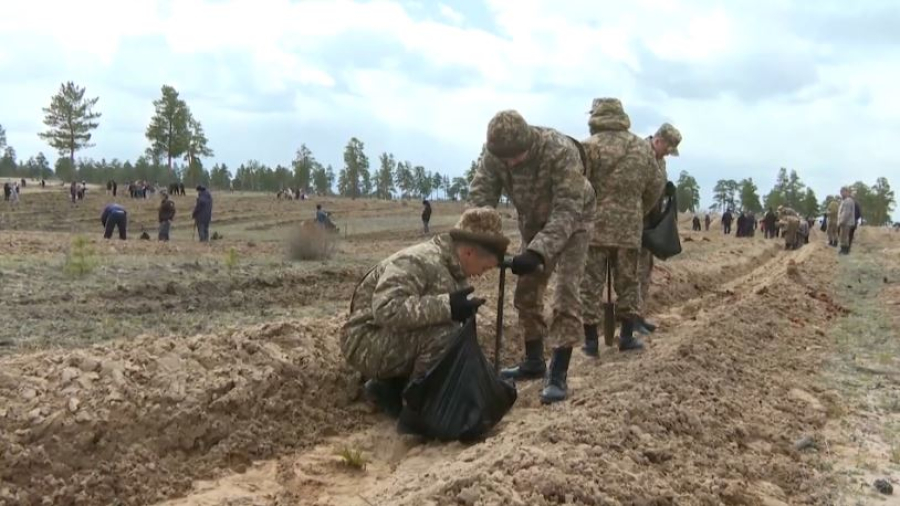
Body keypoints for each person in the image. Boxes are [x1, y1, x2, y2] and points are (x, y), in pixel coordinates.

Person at [468, 109, 596, 404]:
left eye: (517, 158)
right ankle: (534, 361)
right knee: (527, 289)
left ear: (530, 144)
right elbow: (480, 198)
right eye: (505, 159)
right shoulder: (495, 155)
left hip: (575, 221)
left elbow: (567, 210)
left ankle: (558, 371)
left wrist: (538, 251)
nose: (511, 164)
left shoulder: (559, 151)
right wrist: (480, 241)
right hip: (532, 220)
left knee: (566, 290)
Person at [340, 207, 508, 417]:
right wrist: (448, 306)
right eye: (483, 269)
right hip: (364, 341)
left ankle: (391, 386)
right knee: (445, 335)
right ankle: (416, 410)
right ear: (468, 253)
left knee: (456, 331)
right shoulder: (420, 260)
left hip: (388, 335)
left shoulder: (451, 265)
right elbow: (386, 309)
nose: (479, 275)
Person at [579, 97, 664, 357]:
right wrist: (636, 210)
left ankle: (591, 341)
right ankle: (627, 337)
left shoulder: (587, 147)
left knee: (589, 284)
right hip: (628, 229)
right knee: (628, 282)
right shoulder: (641, 149)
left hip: (593, 228)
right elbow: (655, 186)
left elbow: (576, 185)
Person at [638, 123, 681, 336]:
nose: (667, 154)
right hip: (633, 223)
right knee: (633, 272)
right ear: (659, 140)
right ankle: (630, 319)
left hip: (649, 223)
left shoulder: (660, 161)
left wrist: (665, 191)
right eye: (667, 149)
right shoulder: (639, 154)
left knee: (645, 269)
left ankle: (638, 315)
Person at [838, 187, 856, 255]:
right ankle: (843, 249)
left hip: (846, 222)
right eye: (841, 192)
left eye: (842, 192)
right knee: (843, 236)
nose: (841, 194)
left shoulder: (848, 201)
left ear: (846, 192)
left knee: (844, 236)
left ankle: (844, 250)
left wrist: (841, 221)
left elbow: (846, 213)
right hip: (845, 222)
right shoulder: (845, 200)